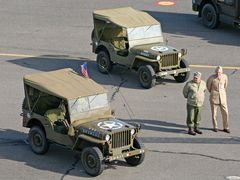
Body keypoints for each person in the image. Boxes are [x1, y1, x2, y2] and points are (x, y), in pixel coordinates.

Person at [207, 66, 230, 133]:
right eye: (217, 72)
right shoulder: (211, 78)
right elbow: (208, 87)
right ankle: (215, 127)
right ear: (215, 72)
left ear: (222, 72)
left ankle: (226, 127)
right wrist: (213, 93)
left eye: (219, 72)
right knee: (214, 113)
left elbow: (225, 86)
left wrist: (222, 92)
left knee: (225, 113)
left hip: (223, 98)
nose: (218, 74)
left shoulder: (225, 77)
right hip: (214, 98)